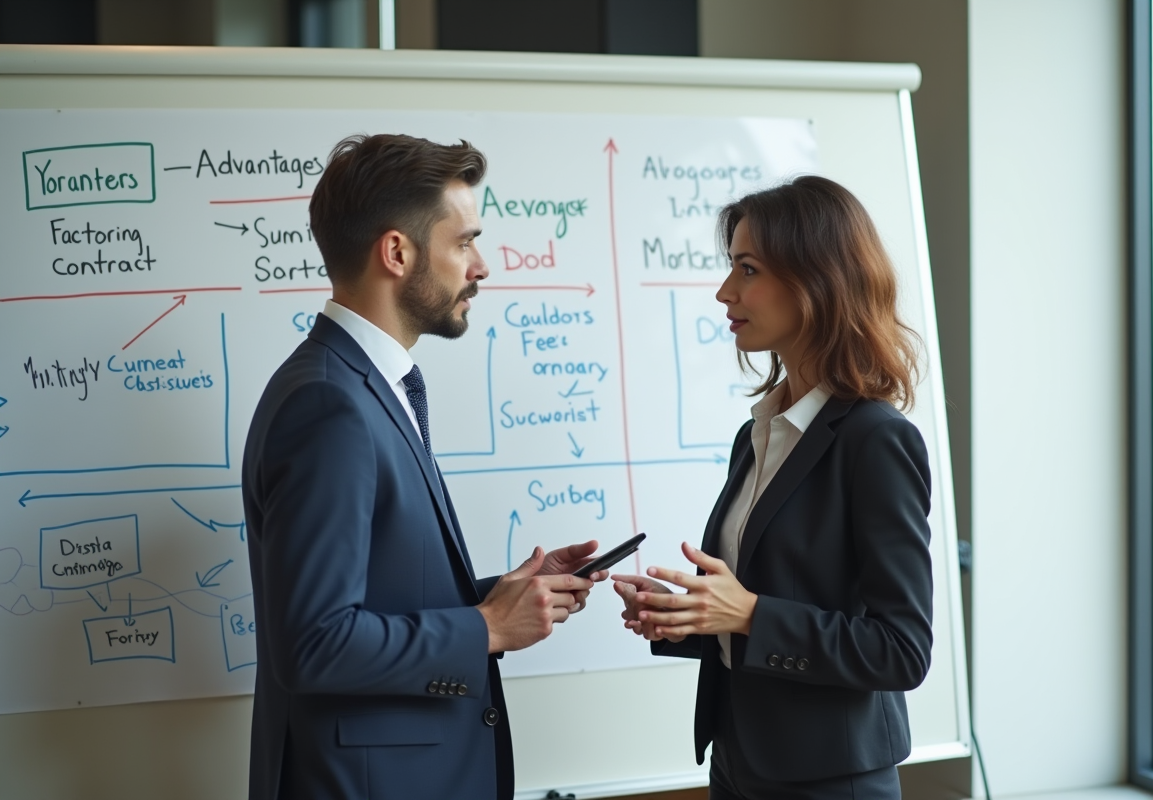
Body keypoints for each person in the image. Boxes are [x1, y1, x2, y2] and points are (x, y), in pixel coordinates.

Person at [242, 133, 606, 800]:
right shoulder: (330, 403)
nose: (482, 265)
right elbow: (315, 643)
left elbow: (377, 593)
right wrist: (489, 627)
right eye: (464, 241)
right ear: (397, 252)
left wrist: (503, 594)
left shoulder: (364, 386)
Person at [613, 175, 934, 800]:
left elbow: (901, 650)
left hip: (830, 780)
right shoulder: (757, 434)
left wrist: (751, 613)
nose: (724, 291)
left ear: (818, 280)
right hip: (737, 760)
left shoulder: (875, 440)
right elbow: (767, 603)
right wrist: (687, 618)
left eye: (748, 269)